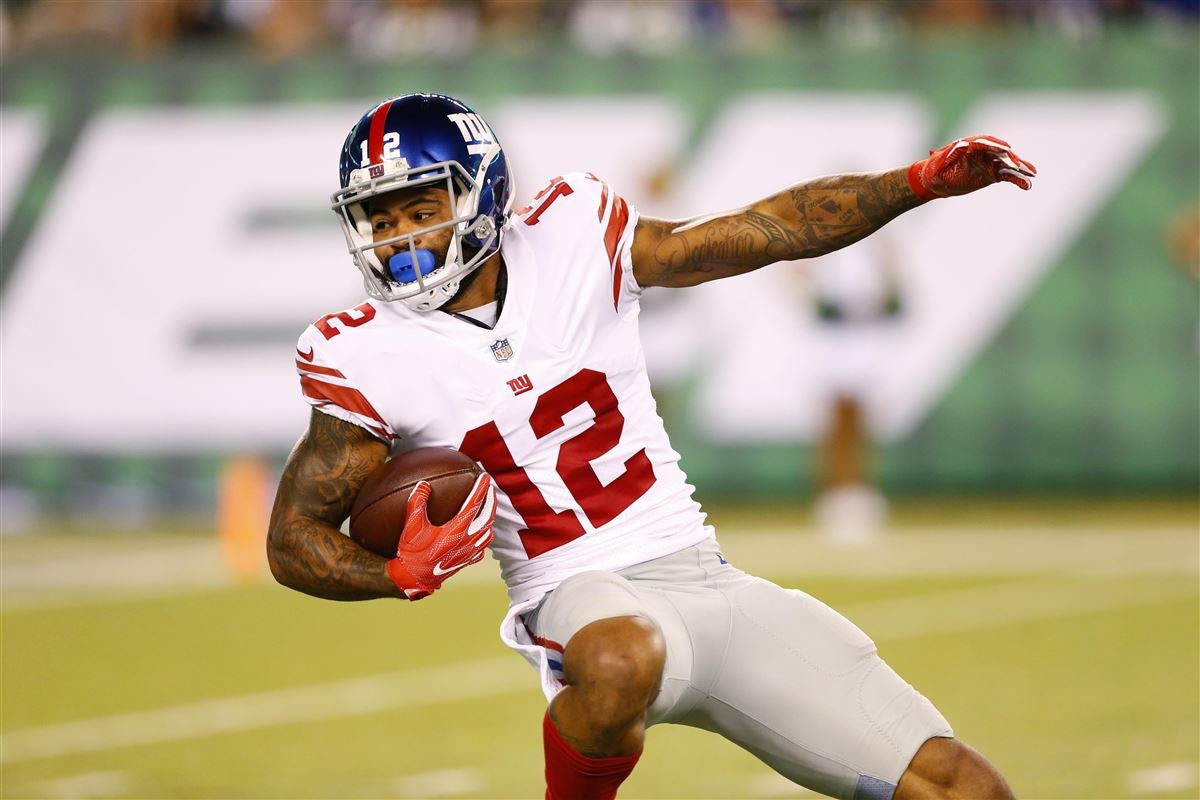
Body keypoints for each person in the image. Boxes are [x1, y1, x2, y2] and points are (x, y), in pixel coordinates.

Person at [266, 92, 1036, 800]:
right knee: (621, 657)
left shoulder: (572, 235)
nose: (400, 239)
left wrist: (916, 183)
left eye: (420, 209)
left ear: (482, 193)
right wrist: (393, 572)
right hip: (572, 591)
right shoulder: (362, 353)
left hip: (704, 578)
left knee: (964, 788)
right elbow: (292, 538)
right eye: (381, 219)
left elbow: (766, 230)